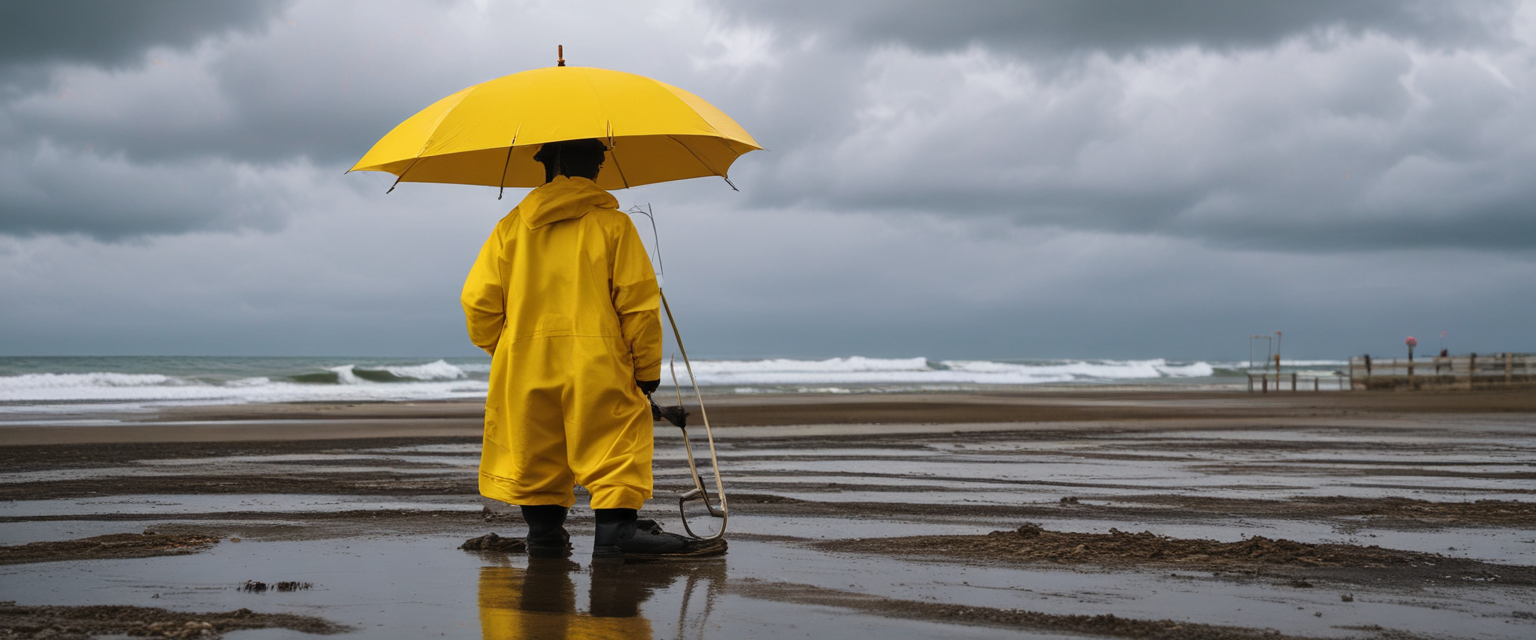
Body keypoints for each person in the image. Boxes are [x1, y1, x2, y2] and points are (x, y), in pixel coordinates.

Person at [461, 138, 725, 561]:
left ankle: (545, 536)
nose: (602, 163)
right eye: (596, 156)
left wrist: (512, 348)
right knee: (614, 444)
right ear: (569, 161)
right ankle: (617, 534)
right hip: (597, 359)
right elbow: (637, 303)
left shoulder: (509, 228)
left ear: (545, 163)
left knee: (536, 446)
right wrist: (646, 368)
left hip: (525, 361)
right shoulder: (613, 226)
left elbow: (479, 303)